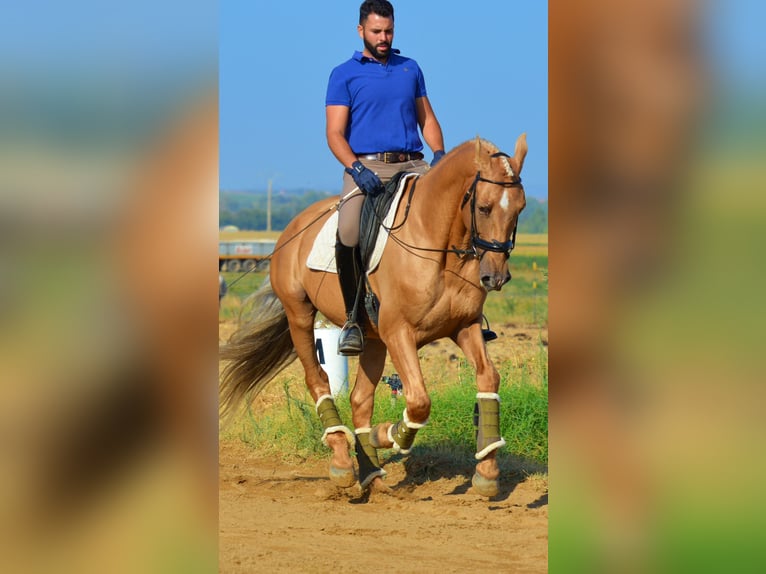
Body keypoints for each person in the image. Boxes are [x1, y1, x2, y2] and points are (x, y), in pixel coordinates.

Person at [326, 0, 446, 355]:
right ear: (361, 30)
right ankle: (353, 319)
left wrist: (439, 154)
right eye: (376, 31)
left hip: (413, 164)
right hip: (367, 166)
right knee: (348, 229)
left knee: (458, 211)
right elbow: (334, 133)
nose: (383, 37)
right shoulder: (344, 74)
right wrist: (355, 168)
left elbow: (427, 119)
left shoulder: (410, 68)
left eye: (388, 31)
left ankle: (467, 308)